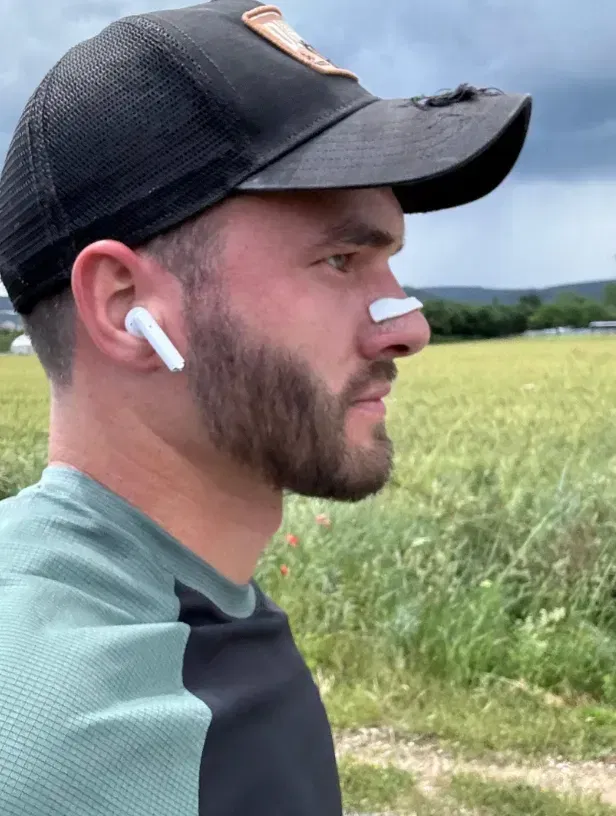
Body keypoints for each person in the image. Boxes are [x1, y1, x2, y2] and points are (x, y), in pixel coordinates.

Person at [0, 1, 532, 814]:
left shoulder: (169, 604)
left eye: (388, 263)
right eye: (340, 258)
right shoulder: (101, 744)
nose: (412, 328)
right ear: (122, 308)